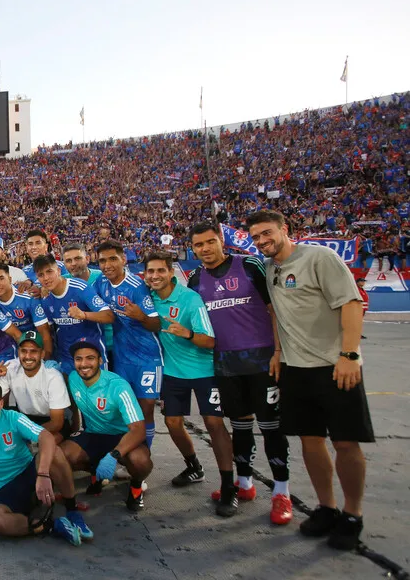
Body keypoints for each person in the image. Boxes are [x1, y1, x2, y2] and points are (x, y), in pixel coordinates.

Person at [247, 210, 374, 550]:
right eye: (256, 237)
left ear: (284, 229)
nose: (262, 241)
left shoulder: (320, 257)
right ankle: (327, 507)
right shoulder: (271, 268)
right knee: (310, 441)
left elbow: (350, 304)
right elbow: (277, 315)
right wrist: (277, 352)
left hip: (334, 366)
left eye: (266, 233)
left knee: (346, 442)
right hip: (294, 369)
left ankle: (353, 514)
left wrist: (349, 355)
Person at [187, 221, 292, 525]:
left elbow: (275, 309)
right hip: (225, 365)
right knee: (240, 427)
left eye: (209, 242)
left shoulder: (249, 265)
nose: (205, 249)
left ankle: (281, 493)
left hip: (261, 361)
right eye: (198, 245)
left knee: (271, 426)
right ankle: (244, 484)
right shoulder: (195, 279)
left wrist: (277, 352)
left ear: (221, 240)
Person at [144, 251, 237, 518]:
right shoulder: (149, 299)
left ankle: (228, 487)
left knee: (214, 424)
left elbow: (210, 341)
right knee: (173, 423)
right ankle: (194, 466)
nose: (155, 276)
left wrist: (187, 333)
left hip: (204, 371)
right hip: (173, 372)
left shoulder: (190, 299)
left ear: (171, 272)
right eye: (150, 271)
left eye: (160, 270)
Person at [0, 380, 92, 546]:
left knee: (55, 452)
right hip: (3, 490)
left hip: (29, 475)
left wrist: (42, 474)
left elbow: (46, 437)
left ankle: (72, 511)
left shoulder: (14, 418)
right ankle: (49, 525)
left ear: (1, 403)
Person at [60, 340, 154, 512]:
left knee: (140, 461)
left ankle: (136, 487)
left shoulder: (118, 386)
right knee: (63, 454)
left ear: (100, 361)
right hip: (94, 434)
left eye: (90, 358)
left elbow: (139, 430)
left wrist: (113, 456)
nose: (84, 364)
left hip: (123, 436)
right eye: (78, 359)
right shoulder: (73, 378)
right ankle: (96, 472)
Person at [93, 240, 163, 449]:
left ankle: (145, 455)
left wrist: (141, 316)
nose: (107, 265)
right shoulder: (102, 284)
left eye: (112, 259)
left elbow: (156, 324)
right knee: (125, 409)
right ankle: (128, 454)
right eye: (102, 261)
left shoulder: (137, 287)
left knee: (146, 408)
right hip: (122, 358)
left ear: (124, 259)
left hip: (147, 357)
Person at [0, 331, 72, 443]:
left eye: (33, 351)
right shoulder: (10, 367)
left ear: (42, 354)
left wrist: (25, 435)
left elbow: (57, 423)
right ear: (18, 352)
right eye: (23, 351)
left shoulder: (53, 376)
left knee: (47, 444)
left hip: (50, 421)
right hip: (24, 419)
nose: (28, 356)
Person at [35, 254, 114, 376]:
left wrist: (84, 315)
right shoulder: (46, 299)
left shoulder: (80, 287)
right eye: (41, 275)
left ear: (59, 271)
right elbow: (48, 332)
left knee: (98, 394)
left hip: (91, 356)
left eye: (49, 272)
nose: (46, 278)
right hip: (66, 358)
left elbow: (109, 316)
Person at [0, 262, 53, 360]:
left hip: (32, 344)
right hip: (7, 349)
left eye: (1, 278)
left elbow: (44, 333)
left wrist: (46, 360)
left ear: (10, 279)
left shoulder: (29, 297)